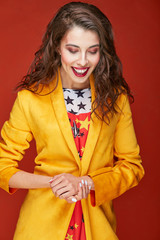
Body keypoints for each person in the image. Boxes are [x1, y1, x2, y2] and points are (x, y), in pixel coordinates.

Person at [0, 2, 144, 240]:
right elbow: (3, 166)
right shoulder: (30, 99)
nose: (83, 61)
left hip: (98, 228)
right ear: (57, 47)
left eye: (93, 51)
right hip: (40, 228)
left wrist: (87, 183)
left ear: (102, 51)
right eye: (73, 50)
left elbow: (132, 166)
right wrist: (53, 183)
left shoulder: (116, 98)